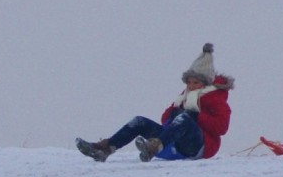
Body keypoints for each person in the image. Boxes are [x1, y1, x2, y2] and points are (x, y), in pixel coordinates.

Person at [76, 43, 234, 163]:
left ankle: (153, 147)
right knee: (139, 121)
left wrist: (196, 116)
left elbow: (222, 128)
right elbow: (165, 118)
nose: (191, 86)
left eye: (196, 83)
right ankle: (106, 148)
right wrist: (174, 113)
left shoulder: (216, 98)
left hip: (199, 147)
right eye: (189, 82)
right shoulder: (185, 96)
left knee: (186, 118)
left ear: (205, 83)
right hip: (173, 142)